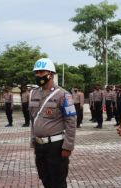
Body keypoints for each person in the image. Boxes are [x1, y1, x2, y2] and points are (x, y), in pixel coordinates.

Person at [29, 58, 77, 188]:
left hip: (56, 146)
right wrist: (34, 140)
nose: (38, 75)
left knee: (58, 181)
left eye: (41, 72)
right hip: (40, 145)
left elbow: (71, 122)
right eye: (36, 72)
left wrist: (68, 146)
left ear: (50, 74)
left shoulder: (63, 94)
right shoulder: (33, 93)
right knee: (45, 179)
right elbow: (33, 120)